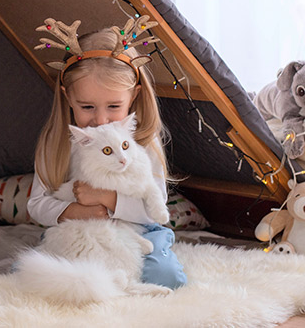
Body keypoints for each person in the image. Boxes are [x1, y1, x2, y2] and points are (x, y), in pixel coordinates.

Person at [28, 17, 186, 289]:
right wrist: (75, 211)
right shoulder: (57, 142)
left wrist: (106, 200)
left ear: (133, 96)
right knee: (29, 273)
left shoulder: (143, 141)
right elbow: (37, 204)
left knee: (165, 277)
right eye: (87, 107)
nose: (101, 120)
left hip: (140, 229)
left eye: (113, 106)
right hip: (81, 231)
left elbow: (153, 208)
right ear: (68, 98)